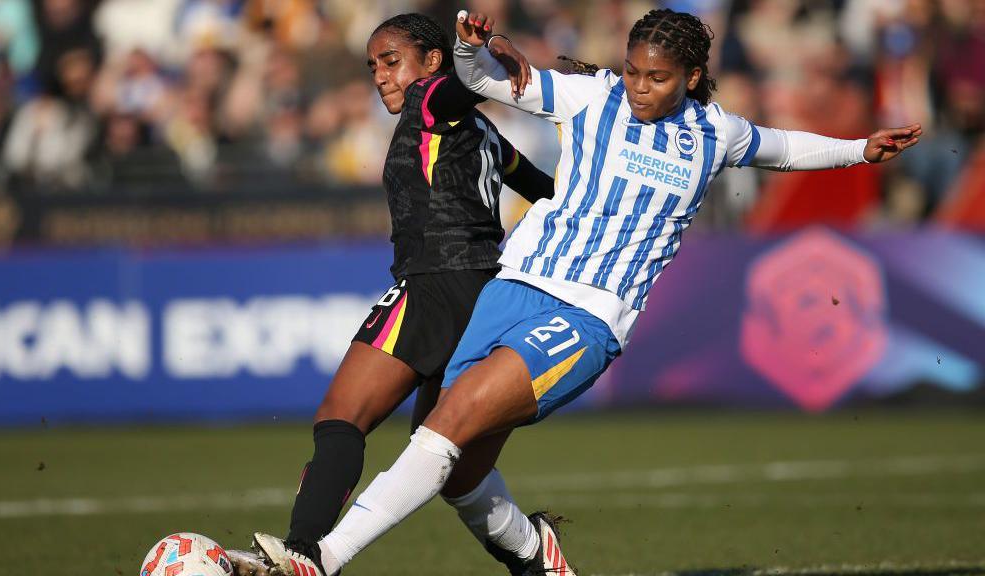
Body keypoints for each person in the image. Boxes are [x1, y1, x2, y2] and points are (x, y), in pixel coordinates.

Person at [252, 8, 923, 576]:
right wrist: (467, 45)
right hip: (511, 289)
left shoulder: (714, 133)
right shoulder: (590, 95)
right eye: (632, 71)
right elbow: (485, 78)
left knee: (444, 428)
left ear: (691, 79)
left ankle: (321, 560)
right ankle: (535, 550)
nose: (638, 87)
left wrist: (858, 148)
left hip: (590, 314)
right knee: (457, 477)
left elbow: (782, 146)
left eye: (657, 78)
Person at [234, 12, 573, 576]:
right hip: (489, 294)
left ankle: (301, 556)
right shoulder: (487, 135)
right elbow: (548, 191)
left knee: (342, 416)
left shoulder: (430, 98)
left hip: (437, 282)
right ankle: (535, 556)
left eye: (391, 61)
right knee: (440, 457)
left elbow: (460, 87)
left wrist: (481, 57)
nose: (381, 76)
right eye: (373, 66)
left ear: (432, 61)